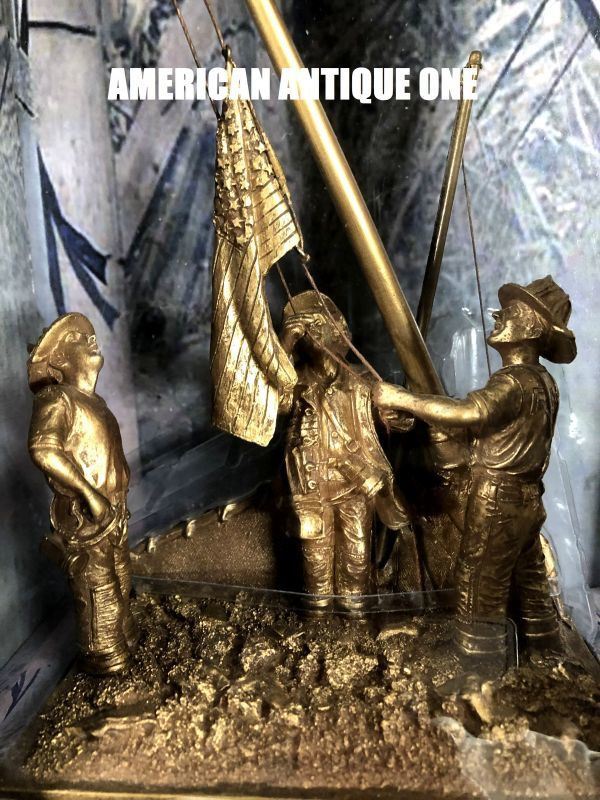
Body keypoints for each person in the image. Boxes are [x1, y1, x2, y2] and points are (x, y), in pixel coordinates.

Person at [374, 276, 576, 657]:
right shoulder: (543, 382)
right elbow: (494, 429)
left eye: (512, 312)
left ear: (531, 329)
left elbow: (470, 412)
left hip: (498, 498)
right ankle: (548, 652)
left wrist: (402, 398)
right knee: (530, 582)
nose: (499, 315)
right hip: (528, 500)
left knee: (479, 582)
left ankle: (478, 667)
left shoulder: (513, 383)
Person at [280, 291, 411, 615]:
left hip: (355, 483)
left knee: (356, 559)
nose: (314, 334)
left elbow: (401, 419)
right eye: (307, 328)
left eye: (321, 325)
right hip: (312, 487)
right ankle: (319, 623)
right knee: (316, 564)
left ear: (340, 331)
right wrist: (285, 344)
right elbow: (275, 404)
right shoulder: (296, 382)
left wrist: (398, 412)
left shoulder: (362, 380)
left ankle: (355, 622)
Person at [27, 313, 137, 674]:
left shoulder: (96, 402)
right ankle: (105, 661)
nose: (90, 338)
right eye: (76, 337)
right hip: (87, 517)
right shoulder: (56, 399)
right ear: (58, 360)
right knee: (99, 590)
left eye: (89, 334)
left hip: (114, 511)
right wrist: (89, 495)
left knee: (121, 581)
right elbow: (44, 449)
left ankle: (125, 645)